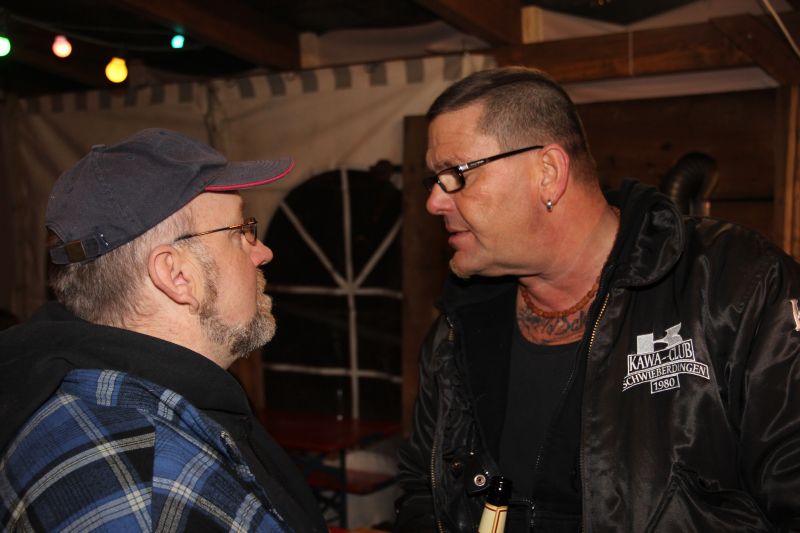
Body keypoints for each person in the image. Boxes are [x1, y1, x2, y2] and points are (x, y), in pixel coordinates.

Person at [394, 67, 800, 531]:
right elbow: (423, 489)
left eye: (456, 175)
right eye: (434, 180)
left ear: (548, 173)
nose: (434, 202)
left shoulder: (734, 284)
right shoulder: (457, 327)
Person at [0, 128, 328, 532]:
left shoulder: (82, 394)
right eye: (240, 231)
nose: (263, 251)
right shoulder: (148, 490)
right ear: (176, 275)